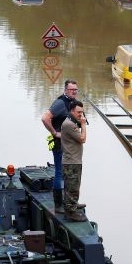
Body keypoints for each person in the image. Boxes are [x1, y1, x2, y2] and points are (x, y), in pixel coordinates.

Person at [41, 79, 79, 212]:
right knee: (60, 172)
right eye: (71, 89)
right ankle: (58, 205)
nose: (74, 91)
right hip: (59, 143)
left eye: (76, 89)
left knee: (69, 173)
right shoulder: (60, 103)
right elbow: (45, 118)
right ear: (65, 90)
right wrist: (54, 132)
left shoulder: (72, 103)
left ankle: (70, 201)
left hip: (69, 144)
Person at [61, 100, 87, 221]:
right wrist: (83, 125)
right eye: (78, 112)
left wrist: (80, 122)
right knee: (72, 187)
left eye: (82, 112)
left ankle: (72, 205)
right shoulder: (69, 125)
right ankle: (71, 213)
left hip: (73, 160)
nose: (80, 115)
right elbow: (82, 139)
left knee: (72, 186)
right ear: (72, 111)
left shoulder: (71, 122)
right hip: (71, 161)